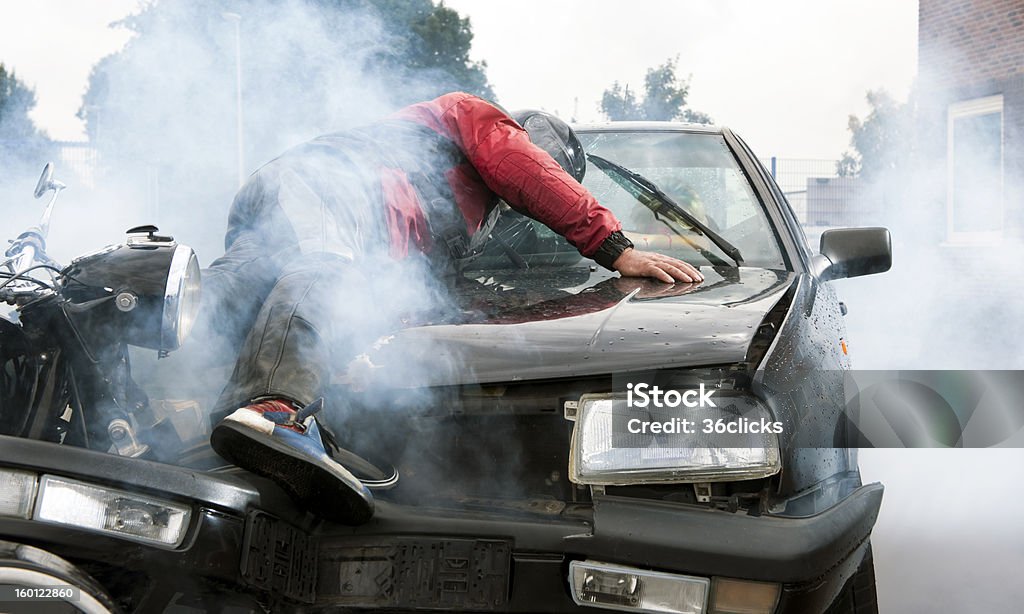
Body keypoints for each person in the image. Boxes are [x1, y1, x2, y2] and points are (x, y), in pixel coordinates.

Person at [202, 91, 703, 524]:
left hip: (289, 187)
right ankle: (275, 408)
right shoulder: (472, 116)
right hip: (334, 182)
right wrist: (614, 247)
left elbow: (388, 300)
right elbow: (522, 167)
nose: (510, 209)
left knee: (236, 288)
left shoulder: (443, 213)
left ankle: (133, 321)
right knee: (327, 271)